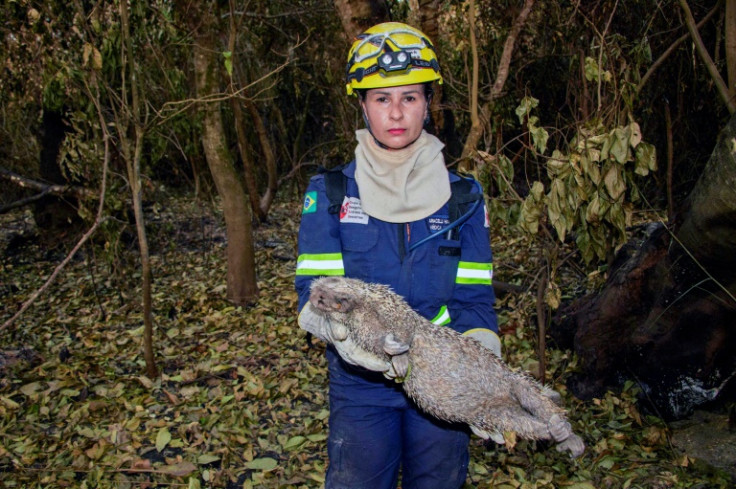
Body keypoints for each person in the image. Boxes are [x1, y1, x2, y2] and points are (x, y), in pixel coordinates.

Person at [294, 22, 500, 489]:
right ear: (362, 105)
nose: (396, 113)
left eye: (409, 97)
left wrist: (482, 367)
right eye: (381, 98)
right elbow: (314, 292)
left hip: (441, 378)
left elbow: (473, 298)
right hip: (360, 385)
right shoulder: (330, 193)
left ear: (428, 104)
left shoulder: (464, 198)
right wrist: (351, 341)